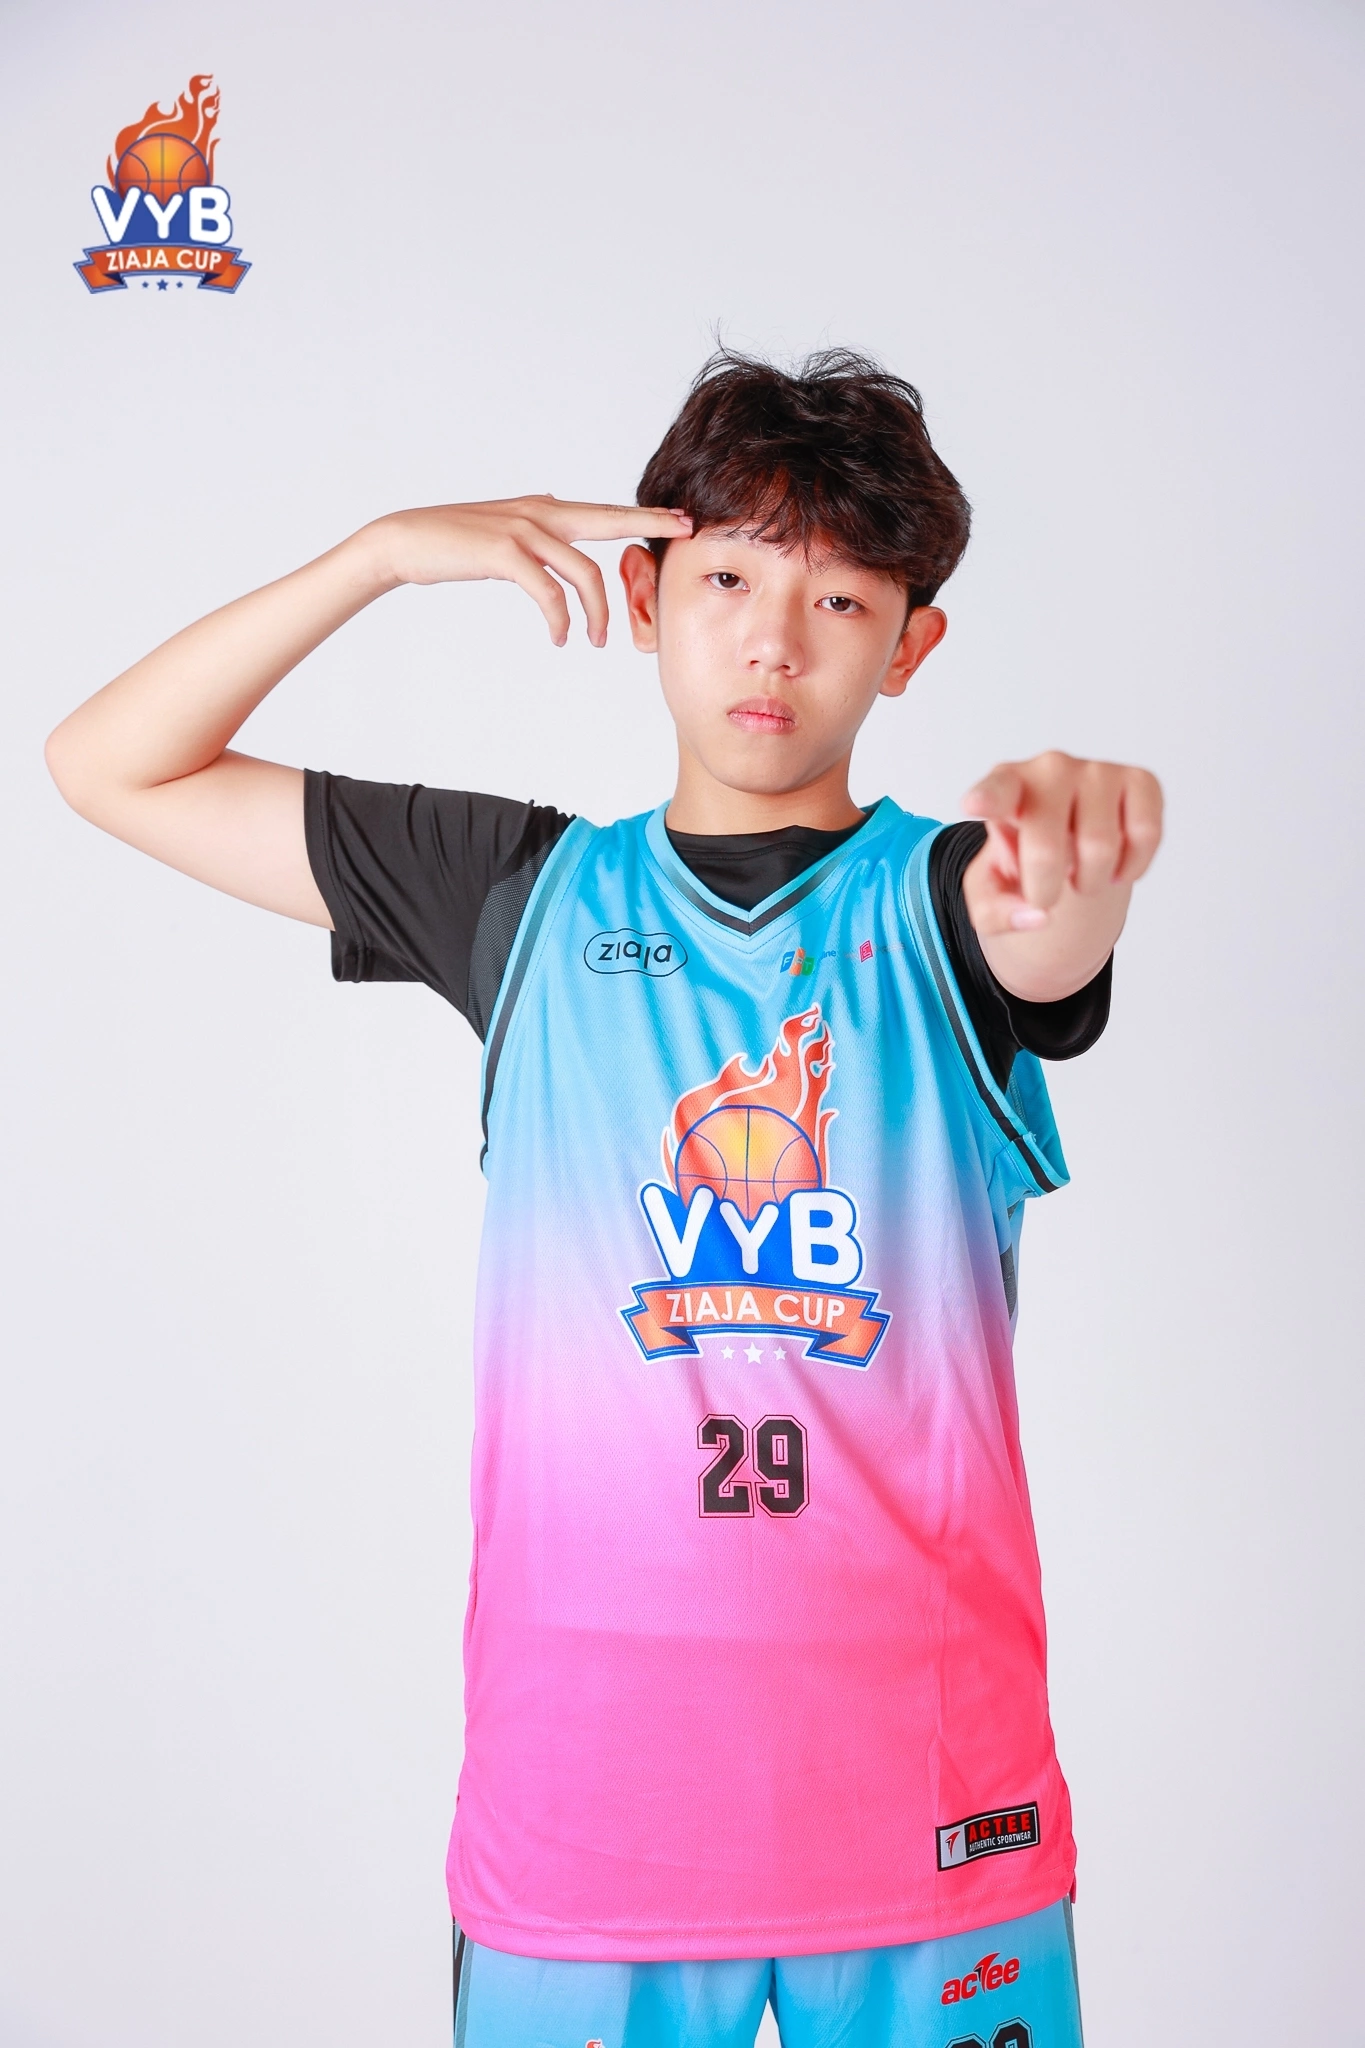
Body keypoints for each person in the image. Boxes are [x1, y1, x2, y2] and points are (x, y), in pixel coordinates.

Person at [46, 349, 1162, 2048]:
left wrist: (1077, 873)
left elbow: (1044, 942)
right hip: (591, 1829)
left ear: (909, 646)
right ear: (644, 595)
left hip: (933, 1818)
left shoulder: (948, 903)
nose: (774, 642)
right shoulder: (518, 896)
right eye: (727, 580)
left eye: (839, 600)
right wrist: (381, 554)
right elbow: (109, 764)